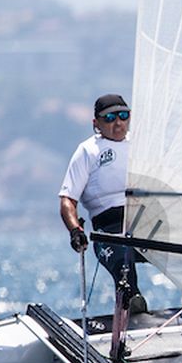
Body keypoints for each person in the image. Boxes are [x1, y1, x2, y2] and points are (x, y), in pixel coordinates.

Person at [59, 93, 146, 313]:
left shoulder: (141, 144)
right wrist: (75, 231)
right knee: (123, 267)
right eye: (109, 118)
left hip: (147, 221)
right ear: (96, 123)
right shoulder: (88, 151)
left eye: (123, 116)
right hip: (109, 229)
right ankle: (131, 305)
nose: (118, 123)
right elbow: (67, 200)